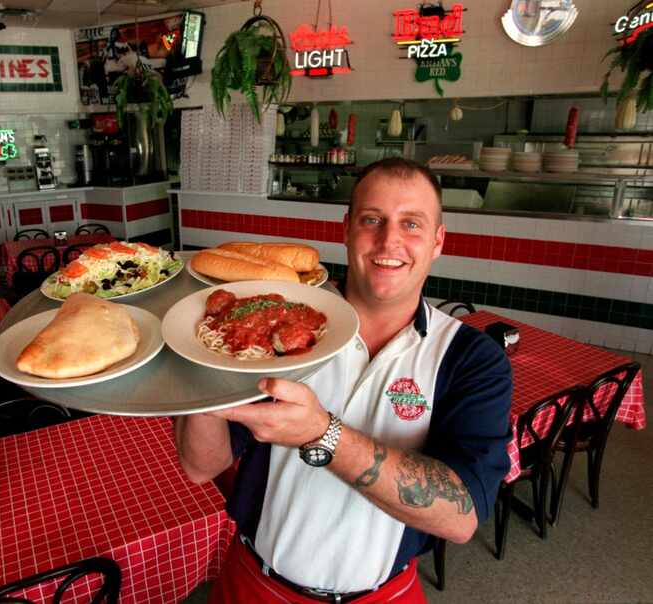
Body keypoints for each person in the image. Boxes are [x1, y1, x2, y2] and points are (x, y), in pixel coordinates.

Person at [174, 157, 512, 603]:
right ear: (347, 228)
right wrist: (199, 364)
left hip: (385, 595)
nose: (389, 240)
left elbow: (461, 516)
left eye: (412, 224)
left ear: (438, 240)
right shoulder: (277, 323)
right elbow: (202, 465)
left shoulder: (471, 359)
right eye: (373, 219)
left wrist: (322, 434)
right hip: (254, 584)